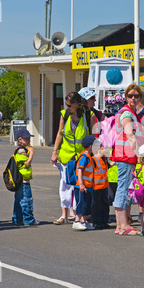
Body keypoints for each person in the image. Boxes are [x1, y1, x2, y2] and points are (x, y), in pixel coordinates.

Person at [111, 84, 144, 236]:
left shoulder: (130, 114)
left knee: (123, 188)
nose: (133, 98)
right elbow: (129, 133)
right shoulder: (127, 113)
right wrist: (138, 152)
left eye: (136, 96)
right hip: (126, 156)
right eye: (130, 96)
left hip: (125, 156)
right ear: (126, 97)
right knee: (123, 189)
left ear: (140, 98)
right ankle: (123, 225)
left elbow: (137, 128)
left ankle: (120, 226)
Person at [51, 92, 90, 225]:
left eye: (69, 105)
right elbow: (60, 134)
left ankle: (77, 213)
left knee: (78, 186)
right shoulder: (64, 114)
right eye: (66, 105)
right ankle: (64, 215)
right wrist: (54, 152)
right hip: (66, 156)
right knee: (65, 185)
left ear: (78, 105)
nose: (67, 107)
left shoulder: (88, 115)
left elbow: (95, 135)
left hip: (82, 157)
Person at [12, 129, 39, 226]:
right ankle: (28, 219)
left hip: (20, 180)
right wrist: (31, 153)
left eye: (29, 138)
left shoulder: (20, 150)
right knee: (26, 200)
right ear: (19, 140)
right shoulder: (21, 151)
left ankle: (18, 219)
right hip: (23, 180)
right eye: (26, 139)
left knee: (19, 200)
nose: (29, 141)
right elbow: (27, 163)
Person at [73, 135, 96, 231]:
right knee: (82, 203)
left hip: (88, 186)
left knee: (87, 204)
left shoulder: (89, 157)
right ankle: (77, 221)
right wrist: (81, 184)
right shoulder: (84, 157)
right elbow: (80, 170)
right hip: (82, 186)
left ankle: (84, 221)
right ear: (91, 146)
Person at [91, 138, 111, 230]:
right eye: (106, 148)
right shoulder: (94, 159)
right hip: (96, 187)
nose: (107, 150)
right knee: (96, 205)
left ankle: (104, 220)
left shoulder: (104, 159)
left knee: (104, 204)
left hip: (104, 186)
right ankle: (96, 221)